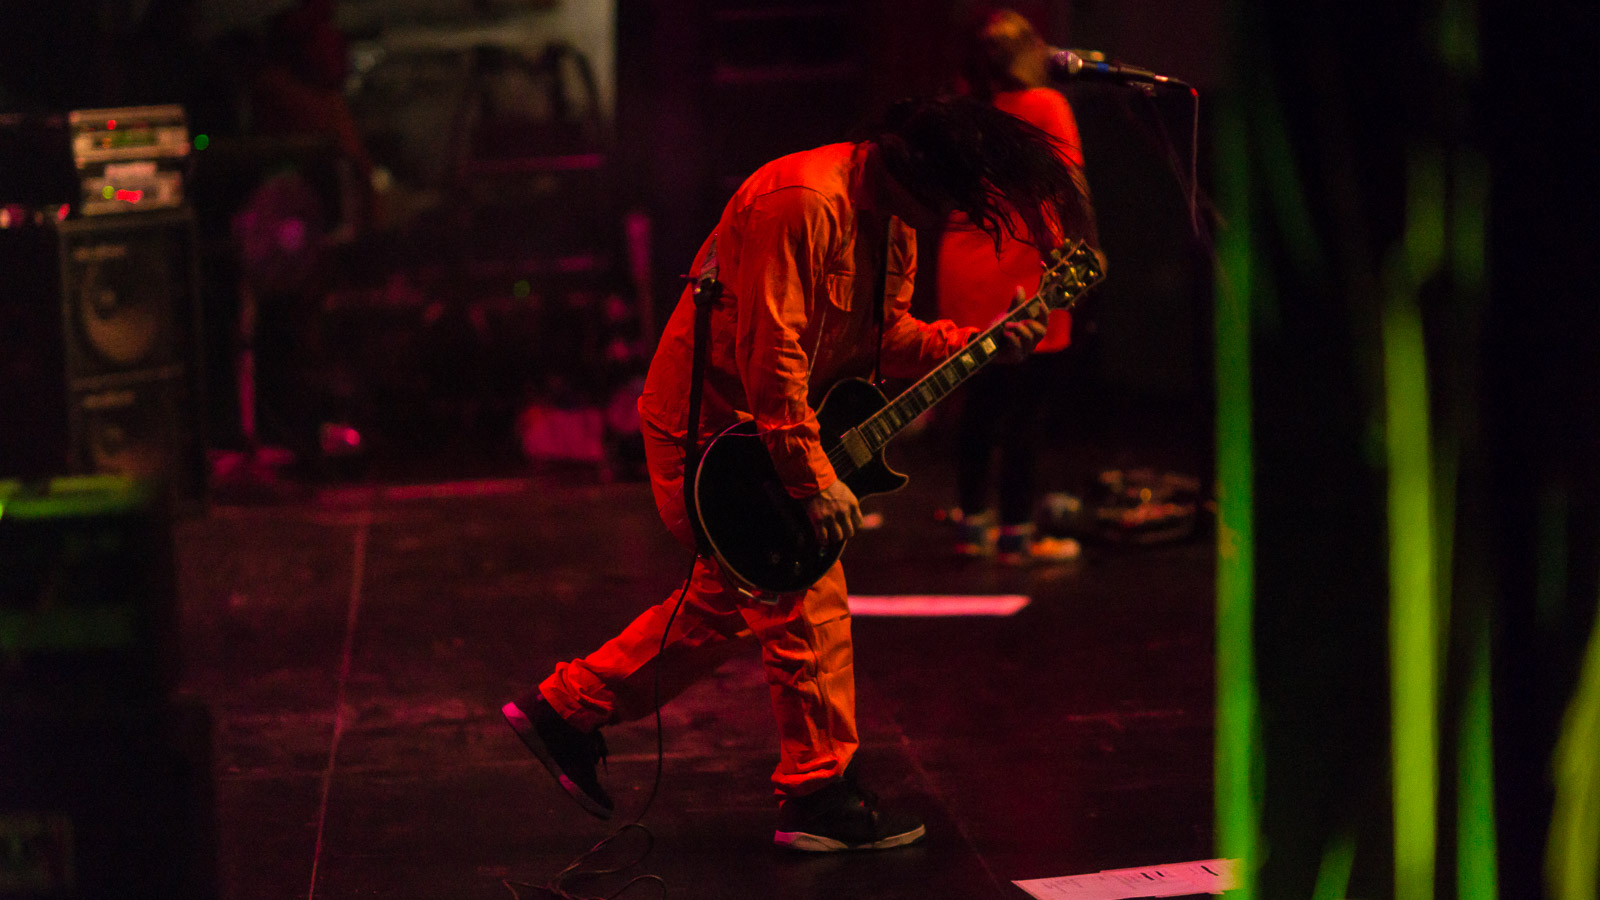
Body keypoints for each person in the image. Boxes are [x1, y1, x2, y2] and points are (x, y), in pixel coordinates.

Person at [502, 96, 1097, 852]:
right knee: (804, 595)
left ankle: (565, 709)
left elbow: (884, 339)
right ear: (904, 169)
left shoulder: (893, 222)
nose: (940, 220)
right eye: (940, 204)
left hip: (771, 430)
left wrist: (978, 343)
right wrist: (811, 481)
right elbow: (771, 357)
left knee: (725, 606)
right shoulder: (800, 202)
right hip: (712, 434)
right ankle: (818, 795)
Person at [937, 7, 1097, 564]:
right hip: (1026, 264)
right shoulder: (1045, 104)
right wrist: (1085, 253)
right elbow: (1067, 187)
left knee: (980, 404)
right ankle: (1016, 534)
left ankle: (971, 525)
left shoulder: (967, 111)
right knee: (1025, 408)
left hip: (964, 263)